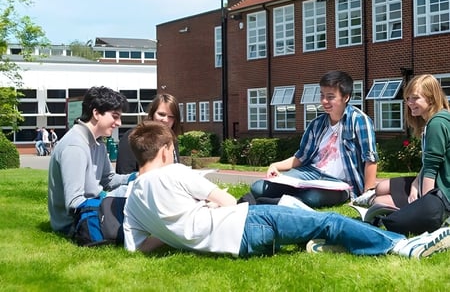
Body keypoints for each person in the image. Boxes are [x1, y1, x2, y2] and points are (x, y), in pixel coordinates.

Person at [122, 120, 450, 259]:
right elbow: (224, 200)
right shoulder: (176, 172)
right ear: (165, 150)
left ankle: (330, 244)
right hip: (247, 226)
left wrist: (179, 231)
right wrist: (206, 212)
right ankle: (401, 246)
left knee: (299, 215)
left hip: (234, 246)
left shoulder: (133, 200)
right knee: (329, 220)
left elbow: (139, 248)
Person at [248, 70, 378, 207]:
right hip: (310, 174)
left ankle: (284, 200)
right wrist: (275, 165)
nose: (324, 101)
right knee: (258, 187)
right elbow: (301, 157)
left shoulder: (359, 120)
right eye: (322, 95)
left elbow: (370, 159)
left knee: (312, 197)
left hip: (339, 182)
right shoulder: (317, 124)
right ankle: (288, 199)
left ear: (346, 97)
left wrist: (367, 194)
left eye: (330, 97)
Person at [48, 86, 135, 235]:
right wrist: (108, 200)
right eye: (115, 116)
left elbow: (109, 179)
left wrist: (137, 177)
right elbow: (74, 202)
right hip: (75, 223)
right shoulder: (75, 146)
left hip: (93, 209)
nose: (119, 123)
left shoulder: (98, 143)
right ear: (96, 113)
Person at [372, 74, 450, 235]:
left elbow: (431, 168)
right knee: (381, 188)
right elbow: (429, 163)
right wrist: (415, 184)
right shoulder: (434, 120)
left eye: (415, 98)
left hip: (442, 190)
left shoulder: (437, 123)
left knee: (378, 202)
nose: (409, 103)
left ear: (431, 98)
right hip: (433, 182)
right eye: (408, 98)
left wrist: (423, 207)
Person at [116, 93, 182, 174]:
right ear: (152, 113)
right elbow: (124, 173)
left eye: (171, 117)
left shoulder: (172, 139)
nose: (166, 120)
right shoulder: (134, 136)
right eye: (161, 114)